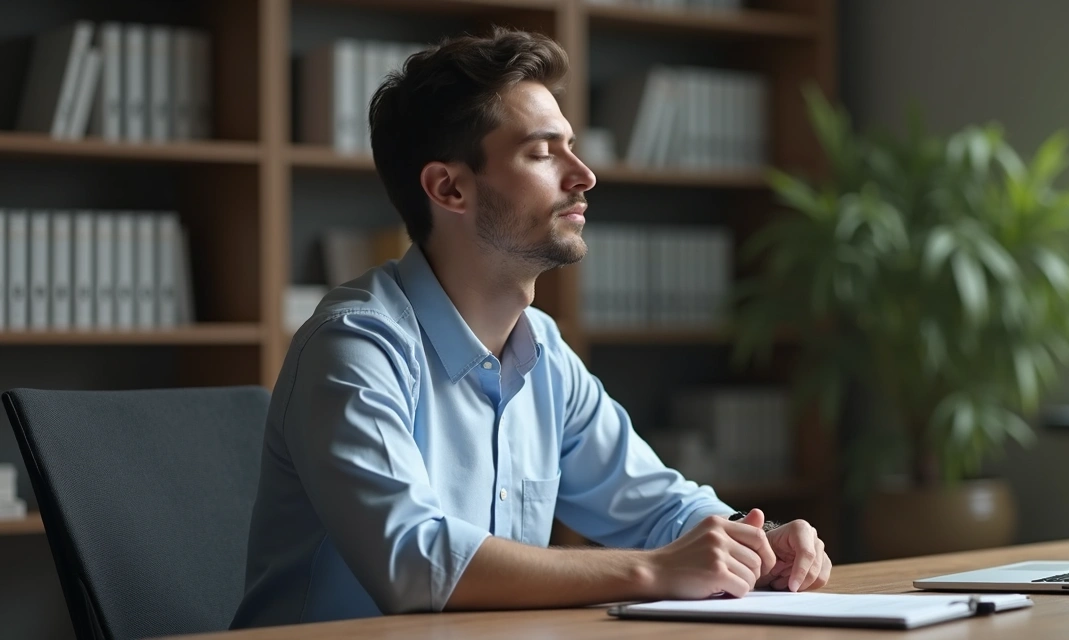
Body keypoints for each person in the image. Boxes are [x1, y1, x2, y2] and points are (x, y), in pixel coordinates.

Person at [230, 26, 830, 629]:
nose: (584, 175)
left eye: (572, 146)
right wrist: (656, 570)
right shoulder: (356, 348)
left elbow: (660, 506)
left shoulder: (542, 349)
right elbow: (415, 563)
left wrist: (759, 541)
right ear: (449, 188)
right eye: (544, 152)